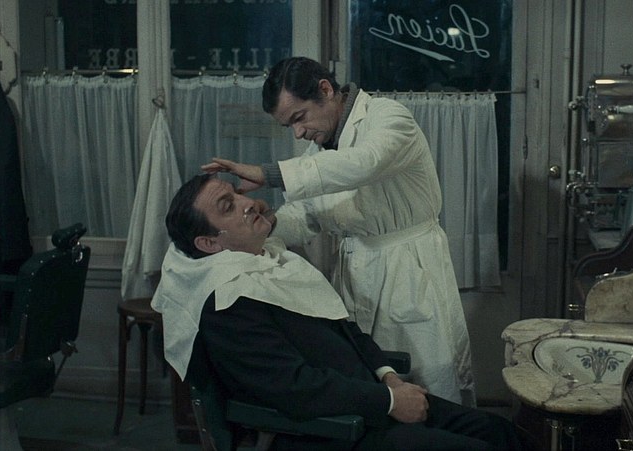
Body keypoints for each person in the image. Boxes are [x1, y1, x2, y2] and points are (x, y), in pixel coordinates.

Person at [151, 174, 523, 451]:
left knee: (499, 431)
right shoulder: (228, 303)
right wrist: (390, 401)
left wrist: (389, 378)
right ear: (209, 243)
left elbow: (345, 330)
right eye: (228, 206)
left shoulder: (272, 264)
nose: (247, 202)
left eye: (236, 192)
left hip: (371, 399)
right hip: (330, 430)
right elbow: (294, 388)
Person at [201, 56, 475, 406]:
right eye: (289, 126)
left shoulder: (388, 118)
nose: (298, 133)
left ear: (325, 90)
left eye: (299, 117)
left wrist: (270, 174)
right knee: (375, 386)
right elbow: (309, 215)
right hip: (358, 274)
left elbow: (364, 163)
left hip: (409, 268)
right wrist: (266, 224)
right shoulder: (321, 149)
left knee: (430, 385)